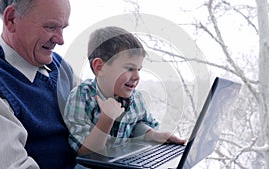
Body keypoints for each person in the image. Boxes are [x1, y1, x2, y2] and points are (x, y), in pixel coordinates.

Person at [63, 26, 185, 155]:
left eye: (139, 69)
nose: (137, 76)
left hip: (122, 161)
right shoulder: (81, 97)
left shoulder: (136, 98)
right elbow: (86, 153)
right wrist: (107, 117)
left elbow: (137, 123)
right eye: (129, 68)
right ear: (100, 67)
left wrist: (153, 135)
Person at [0, 0, 78, 168]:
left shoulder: (60, 66)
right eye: (50, 27)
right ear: (12, 19)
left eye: (62, 28)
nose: (60, 40)